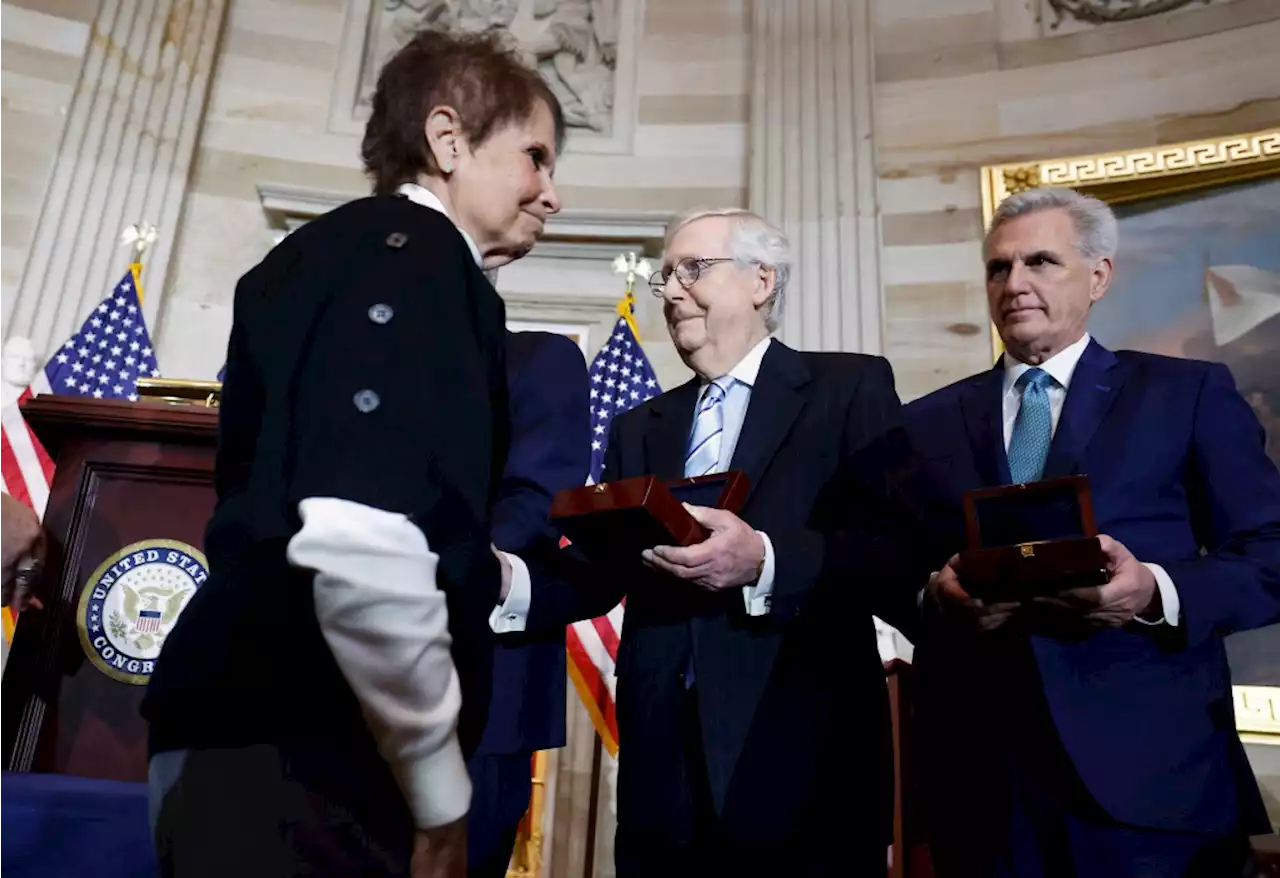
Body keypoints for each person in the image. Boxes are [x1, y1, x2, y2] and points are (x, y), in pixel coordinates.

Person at [141, 30, 563, 878]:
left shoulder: (295, 264)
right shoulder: (422, 264)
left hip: (220, 734)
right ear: (449, 140)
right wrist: (441, 797)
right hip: (316, 755)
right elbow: (359, 532)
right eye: (535, 158)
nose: (551, 194)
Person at [493, 208, 934, 877]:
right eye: (666, 276)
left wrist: (767, 558)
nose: (670, 291)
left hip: (800, 748)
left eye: (692, 269)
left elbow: (897, 549)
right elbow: (595, 571)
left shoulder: (848, 387)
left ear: (762, 281)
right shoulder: (639, 425)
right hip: (660, 766)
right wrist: (502, 580)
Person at [904, 186, 1280, 877]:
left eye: (1041, 262)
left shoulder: (1186, 393)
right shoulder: (925, 422)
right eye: (998, 267)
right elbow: (889, 567)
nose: (1015, 284)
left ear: (1098, 275)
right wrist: (935, 595)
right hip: (984, 791)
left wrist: (1156, 590)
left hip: (1152, 787)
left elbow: (1270, 555)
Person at [467, 330, 589, 878]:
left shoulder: (534, 360)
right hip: (309, 700)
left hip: (475, 694)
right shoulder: (325, 354)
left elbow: (534, 504)